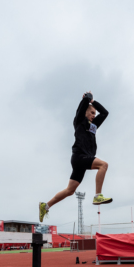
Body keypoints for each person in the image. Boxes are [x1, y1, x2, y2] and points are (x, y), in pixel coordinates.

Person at [39, 91, 112, 223]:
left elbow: (105, 113)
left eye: (95, 114)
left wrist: (93, 102)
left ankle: (46, 206)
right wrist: (87, 99)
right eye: (91, 113)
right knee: (103, 165)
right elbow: (82, 107)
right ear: (85, 113)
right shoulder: (79, 121)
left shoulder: (94, 125)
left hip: (81, 160)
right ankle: (97, 195)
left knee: (70, 190)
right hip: (79, 156)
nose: (93, 116)